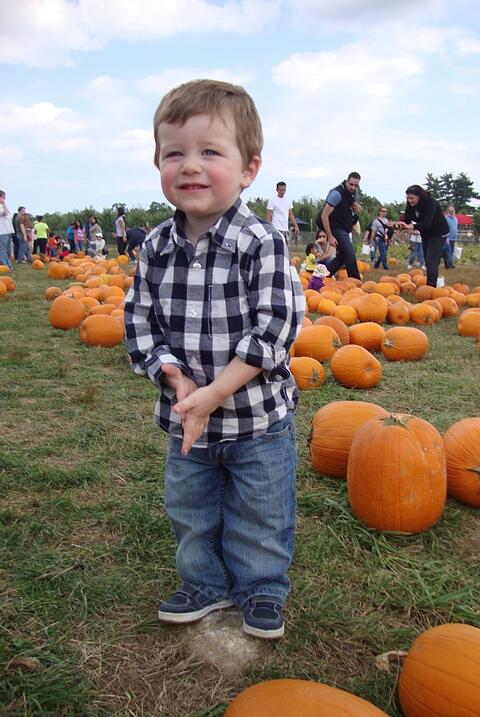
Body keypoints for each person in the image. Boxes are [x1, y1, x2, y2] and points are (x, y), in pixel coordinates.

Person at [124, 78, 305, 641]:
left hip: (256, 419)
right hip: (187, 420)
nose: (190, 166)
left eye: (210, 152)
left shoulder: (262, 243)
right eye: (173, 153)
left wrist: (217, 391)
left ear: (249, 168)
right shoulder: (154, 247)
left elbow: (274, 327)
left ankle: (261, 588)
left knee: (261, 511)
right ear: (158, 162)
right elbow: (139, 322)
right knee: (191, 508)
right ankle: (202, 582)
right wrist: (174, 378)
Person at [397, 185, 449, 287]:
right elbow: (407, 218)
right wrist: (400, 224)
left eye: (412, 198)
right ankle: (440, 255)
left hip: (439, 232)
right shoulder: (410, 204)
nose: (409, 201)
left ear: (419, 196)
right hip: (426, 233)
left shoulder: (431, 203)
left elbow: (426, 223)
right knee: (427, 257)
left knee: (431, 261)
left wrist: (411, 226)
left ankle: (431, 287)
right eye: (408, 198)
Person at [319, 172, 362, 280]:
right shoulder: (337, 194)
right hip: (335, 228)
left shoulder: (352, 193)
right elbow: (324, 215)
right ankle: (355, 281)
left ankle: (321, 276)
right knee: (350, 253)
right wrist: (330, 236)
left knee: (342, 256)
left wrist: (354, 206)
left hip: (343, 228)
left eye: (356, 185)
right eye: (351, 184)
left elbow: (345, 205)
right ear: (346, 181)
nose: (353, 187)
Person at [266, 182, 301, 246]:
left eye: (284, 190)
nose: (282, 192)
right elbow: (269, 216)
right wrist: (269, 229)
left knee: (287, 250)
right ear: (277, 190)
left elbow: (291, 215)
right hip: (275, 229)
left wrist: (296, 226)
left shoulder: (288, 200)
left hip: (285, 229)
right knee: (276, 249)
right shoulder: (272, 201)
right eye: (281, 190)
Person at [0, 190, 14, 271]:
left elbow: (8, 213)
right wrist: (3, 203)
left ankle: (8, 265)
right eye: (3, 196)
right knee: (3, 250)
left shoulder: (3, 205)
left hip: (8, 231)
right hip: (2, 232)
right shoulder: (1, 205)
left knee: (9, 250)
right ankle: (5, 266)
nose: (4, 198)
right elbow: (5, 213)